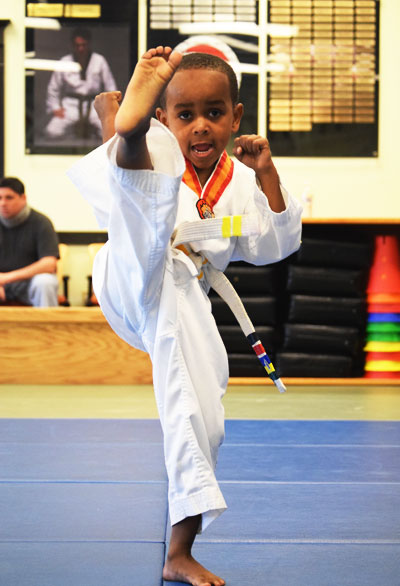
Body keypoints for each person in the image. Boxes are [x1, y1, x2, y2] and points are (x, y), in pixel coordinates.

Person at [68, 46, 303, 586]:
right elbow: (114, 209)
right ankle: (121, 132)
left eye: (214, 114)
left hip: (183, 289)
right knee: (145, 203)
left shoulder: (240, 179)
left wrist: (266, 173)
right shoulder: (165, 150)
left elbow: (274, 244)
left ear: (236, 117)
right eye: (184, 115)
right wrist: (130, 131)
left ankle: (180, 549)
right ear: (163, 115)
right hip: (127, 275)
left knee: (205, 416)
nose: (200, 127)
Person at [44, 27, 117, 140]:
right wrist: (56, 108)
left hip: (94, 105)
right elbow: (54, 88)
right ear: (72, 45)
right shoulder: (64, 62)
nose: (81, 48)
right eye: (77, 45)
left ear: (89, 44)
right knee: (52, 131)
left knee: (112, 132)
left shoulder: (99, 60)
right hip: (70, 105)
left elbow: (110, 85)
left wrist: (109, 108)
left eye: (84, 45)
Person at [0, 177, 59, 306]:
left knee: (45, 282)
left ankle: (48, 326)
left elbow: (49, 264)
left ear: (23, 198)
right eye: (0, 198)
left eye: (9, 197)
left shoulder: (41, 223)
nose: (3, 203)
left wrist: (6, 278)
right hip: (1, 284)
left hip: (29, 283)